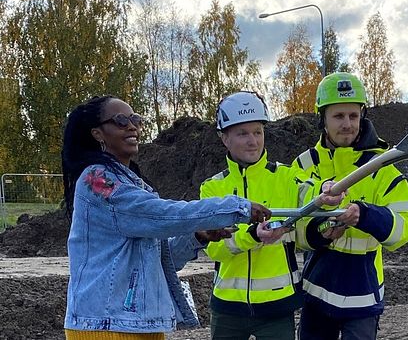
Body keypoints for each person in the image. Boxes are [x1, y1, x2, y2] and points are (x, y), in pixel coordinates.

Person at [62, 95, 272, 340]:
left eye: (136, 119)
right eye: (120, 120)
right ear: (98, 134)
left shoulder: (133, 184)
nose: (132, 126)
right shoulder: (97, 181)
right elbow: (162, 215)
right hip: (104, 324)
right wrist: (235, 207)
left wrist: (196, 237)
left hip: (140, 324)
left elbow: (161, 260)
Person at [199, 91, 344, 340]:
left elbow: (311, 192)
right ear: (224, 138)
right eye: (242, 133)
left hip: (277, 307)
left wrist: (326, 193)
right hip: (228, 311)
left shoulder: (286, 177)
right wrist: (254, 235)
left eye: (258, 132)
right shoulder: (212, 188)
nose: (252, 141)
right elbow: (215, 249)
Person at [294, 72, 408, 340]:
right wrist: (321, 230)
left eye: (353, 115)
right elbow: (294, 230)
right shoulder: (304, 166)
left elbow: (406, 227)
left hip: (362, 297)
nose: (348, 124)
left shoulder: (382, 167)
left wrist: (366, 216)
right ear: (322, 119)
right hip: (317, 292)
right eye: (338, 116)